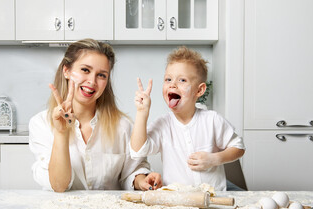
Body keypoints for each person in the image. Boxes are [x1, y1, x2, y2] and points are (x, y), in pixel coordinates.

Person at [29, 39, 161, 192]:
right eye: (85, 70)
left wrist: (142, 181)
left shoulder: (123, 126)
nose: (92, 81)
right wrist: (61, 133)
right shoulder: (40, 124)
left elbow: (132, 172)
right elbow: (59, 185)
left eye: (101, 75)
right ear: (67, 71)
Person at [130, 46, 245, 191]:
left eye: (182, 80)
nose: (172, 84)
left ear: (199, 90)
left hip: (214, 199)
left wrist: (214, 159)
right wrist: (142, 112)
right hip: (177, 201)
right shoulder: (163, 124)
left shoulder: (212, 120)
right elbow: (137, 151)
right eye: (168, 79)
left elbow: (239, 147)